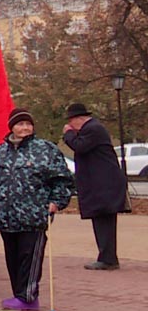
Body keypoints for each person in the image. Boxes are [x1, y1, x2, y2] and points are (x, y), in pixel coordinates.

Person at [0, 109, 74, 311]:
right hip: (6, 216)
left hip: (34, 215)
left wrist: (57, 201)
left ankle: (28, 297)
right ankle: (19, 295)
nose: (24, 128)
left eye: (28, 124)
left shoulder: (45, 149)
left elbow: (63, 179)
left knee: (29, 257)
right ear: (11, 126)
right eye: (20, 124)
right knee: (12, 257)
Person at [62, 103, 127, 270]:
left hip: (104, 184)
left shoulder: (93, 129)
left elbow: (79, 146)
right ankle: (107, 256)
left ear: (79, 119)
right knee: (102, 219)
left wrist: (68, 134)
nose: (70, 125)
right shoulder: (94, 128)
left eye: (71, 121)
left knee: (103, 219)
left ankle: (107, 259)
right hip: (103, 184)